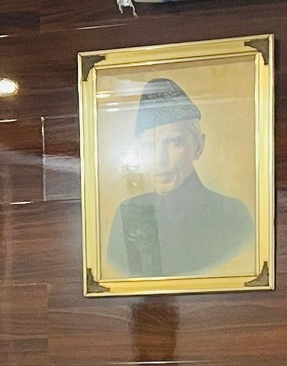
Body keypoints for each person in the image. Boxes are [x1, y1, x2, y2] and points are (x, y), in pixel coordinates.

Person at [104, 77, 255, 278]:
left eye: (174, 142)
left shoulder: (232, 214)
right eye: (149, 145)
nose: (160, 160)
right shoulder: (128, 213)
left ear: (198, 146)